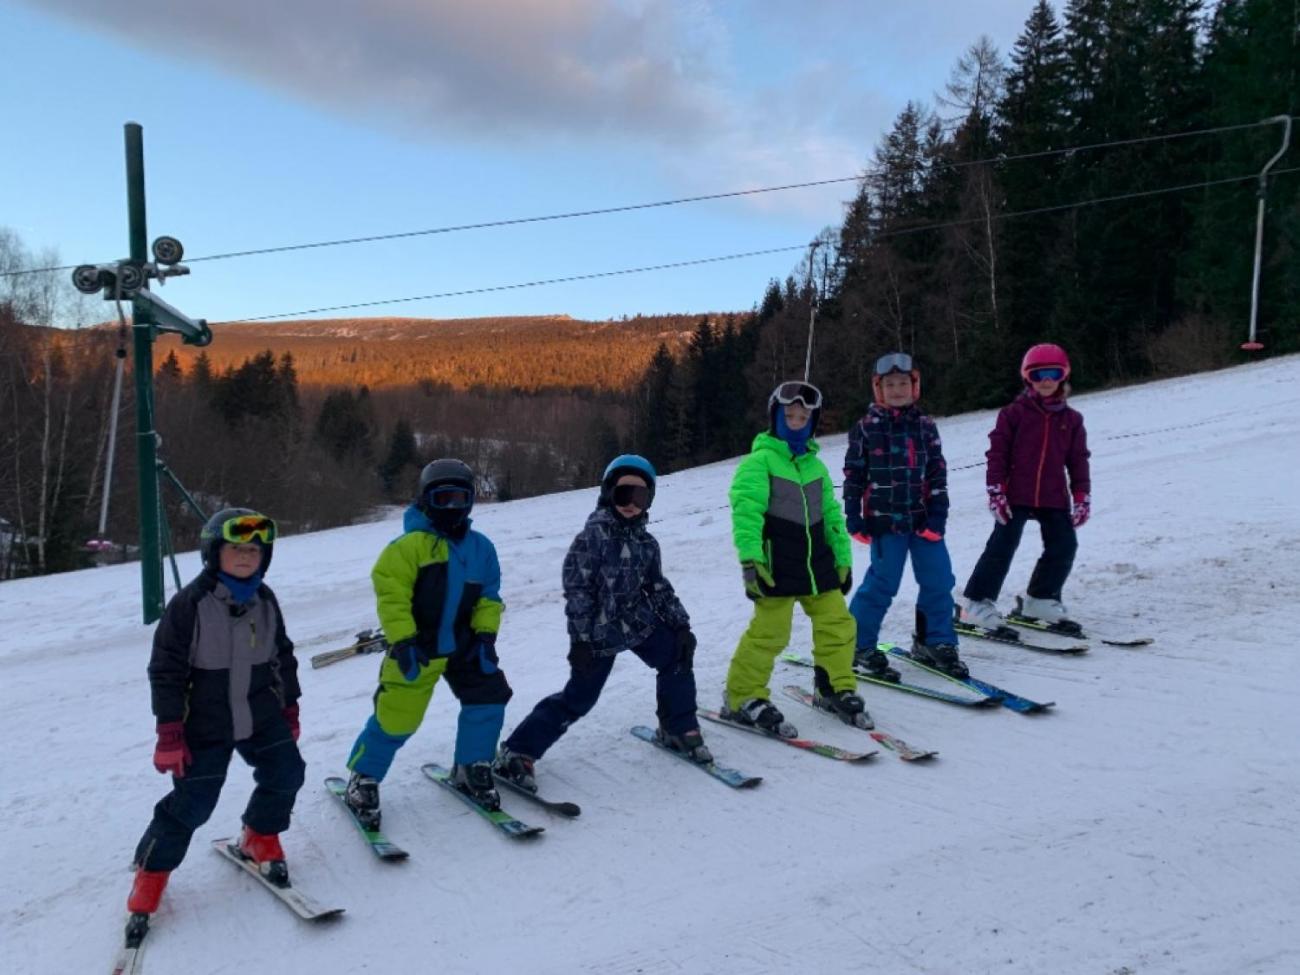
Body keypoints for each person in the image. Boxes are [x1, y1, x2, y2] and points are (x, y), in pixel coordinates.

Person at [127, 508, 304, 918]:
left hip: (260, 714)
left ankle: (260, 835)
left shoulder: (265, 600)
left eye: (254, 551)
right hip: (204, 722)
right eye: (236, 549)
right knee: (194, 802)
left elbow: (282, 656)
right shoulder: (190, 604)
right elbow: (166, 671)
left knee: (286, 772)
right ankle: (151, 871)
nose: (245, 557)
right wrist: (169, 732)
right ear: (213, 553)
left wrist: (289, 706)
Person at [496, 455, 708, 790]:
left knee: (677, 657)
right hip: (599, 632)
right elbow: (578, 593)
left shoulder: (647, 544)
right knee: (580, 697)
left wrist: (680, 625)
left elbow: (657, 588)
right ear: (608, 494)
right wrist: (580, 640)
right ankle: (518, 751)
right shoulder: (590, 540)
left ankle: (678, 729)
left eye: (640, 497)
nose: (631, 504)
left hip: (638, 623)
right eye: (623, 494)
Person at [343, 459, 510, 823]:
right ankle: (363, 776)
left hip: (465, 643)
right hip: (419, 645)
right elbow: (392, 597)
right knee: (397, 715)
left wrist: (485, 635)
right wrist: (403, 640)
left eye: (459, 499)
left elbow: (489, 596)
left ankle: (472, 765)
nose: (451, 507)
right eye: (442, 498)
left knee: (489, 697)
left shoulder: (481, 548)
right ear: (425, 500)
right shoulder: (407, 548)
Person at [721, 381, 868, 735]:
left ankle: (833, 687)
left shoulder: (816, 467)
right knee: (770, 633)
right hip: (777, 566)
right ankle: (742, 696)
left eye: (804, 417)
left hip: (818, 565)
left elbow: (831, 517)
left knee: (838, 624)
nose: (797, 422)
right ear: (775, 417)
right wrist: (751, 560)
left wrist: (842, 558)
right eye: (790, 416)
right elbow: (746, 513)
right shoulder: (759, 462)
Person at [843, 352, 966, 678]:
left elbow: (937, 474)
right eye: (889, 385)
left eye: (902, 383)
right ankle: (857, 645)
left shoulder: (925, 426)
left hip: (923, 520)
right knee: (882, 583)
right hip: (884, 523)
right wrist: (853, 517)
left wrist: (938, 517)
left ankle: (934, 641)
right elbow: (854, 476)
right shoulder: (865, 428)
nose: (897, 390)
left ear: (914, 387)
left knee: (938, 580)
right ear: (878, 389)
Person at [962, 343, 1091, 627]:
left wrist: (1081, 495)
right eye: (1037, 375)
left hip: (1053, 495)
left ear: (1063, 376)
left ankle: (1040, 599)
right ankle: (976, 602)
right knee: (1003, 545)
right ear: (1027, 378)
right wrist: (996, 490)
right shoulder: (1013, 414)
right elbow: (997, 454)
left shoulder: (1071, 420)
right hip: (1016, 494)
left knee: (1064, 544)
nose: (1045, 381)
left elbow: (1078, 460)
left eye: (1053, 374)